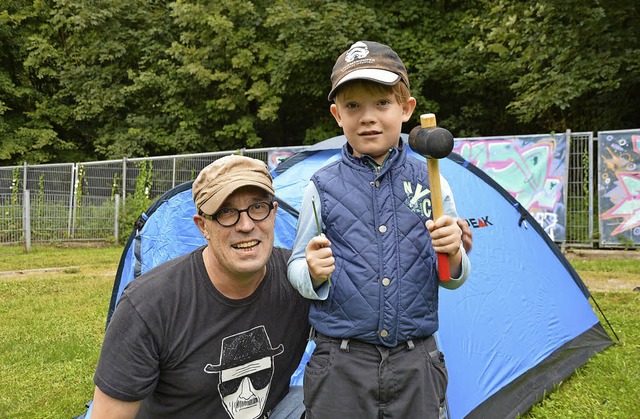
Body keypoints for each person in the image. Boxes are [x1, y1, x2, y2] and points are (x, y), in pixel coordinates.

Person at [287, 40, 471, 418]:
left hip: (416, 361)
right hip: (339, 364)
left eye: (382, 104)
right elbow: (295, 266)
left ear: (407, 109)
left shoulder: (432, 183)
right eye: (354, 106)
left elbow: (453, 278)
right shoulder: (320, 187)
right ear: (338, 115)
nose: (368, 117)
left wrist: (454, 251)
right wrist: (312, 272)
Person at [91, 155, 310, 419]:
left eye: (257, 207)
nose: (246, 225)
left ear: (273, 213)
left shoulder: (299, 280)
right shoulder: (148, 305)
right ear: (202, 225)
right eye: (226, 212)